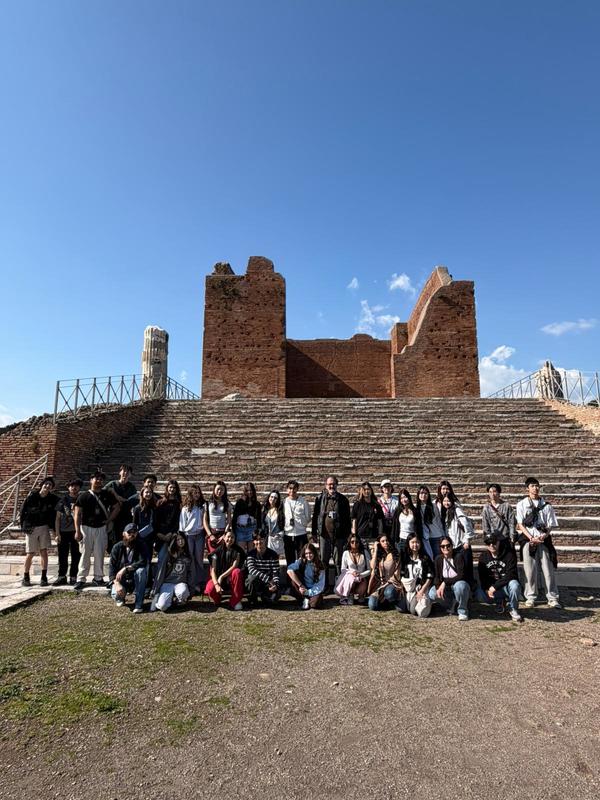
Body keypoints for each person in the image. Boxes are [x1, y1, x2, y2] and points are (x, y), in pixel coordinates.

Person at [516, 477, 561, 609]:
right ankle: (530, 596)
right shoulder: (522, 504)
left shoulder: (547, 506)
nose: (535, 488)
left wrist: (543, 536)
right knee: (529, 570)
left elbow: (550, 525)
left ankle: (552, 597)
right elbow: (520, 524)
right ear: (527, 488)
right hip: (528, 540)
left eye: (537, 486)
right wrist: (531, 537)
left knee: (548, 570)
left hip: (543, 540)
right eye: (532, 486)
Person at [73, 471, 120, 592]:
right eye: (96, 478)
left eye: (100, 479)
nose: (98, 481)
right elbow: (77, 514)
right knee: (85, 554)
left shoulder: (107, 494)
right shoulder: (83, 496)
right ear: (91, 480)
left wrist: (109, 519)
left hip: (101, 527)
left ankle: (98, 577)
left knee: (100, 553)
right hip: (86, 527)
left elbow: (117, 507)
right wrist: (77, 530)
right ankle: (81, 578)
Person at [20, 475, 59, 587]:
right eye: (46, 484)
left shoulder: (52, 498)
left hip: (44, 527)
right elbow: (23, 511)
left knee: (44, 551)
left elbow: (60, 504)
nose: (47, 486)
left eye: (50, 485)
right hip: (31, 527)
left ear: (52, 487)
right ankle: (26, 576)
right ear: (42, 485)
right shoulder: (32, 496)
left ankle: (44, 577)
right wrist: (23, 526)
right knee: (30, 553)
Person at [311, 475, 351, 579]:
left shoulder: (343, 499)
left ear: (337, 485)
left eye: (333, 484)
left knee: (339, 561)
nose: (331, 486)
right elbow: (315, 516)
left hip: (339, 536)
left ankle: (339, 584)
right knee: (324, 560)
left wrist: (347, 535)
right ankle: (324, 585)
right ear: (326, 485)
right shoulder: (319, 499)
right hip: (324, 535)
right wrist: (314, 533)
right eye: (329, 484)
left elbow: (347, 519)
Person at [477, 533, 523, 623]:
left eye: (493, 542)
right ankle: (500, 601)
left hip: (506, 586)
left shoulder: (509, 554)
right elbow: (482, 577)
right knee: (479, 594)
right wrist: (487, 588)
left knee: (514, 585)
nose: (491, 545)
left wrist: (495, 587)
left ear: (498, 542)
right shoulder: (483, 557)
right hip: (492, 588)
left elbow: (511, 574)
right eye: (488, 543)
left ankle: (513, 608)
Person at [108, 523, 148, 613]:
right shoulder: (117, 547)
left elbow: (143, 561)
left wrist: (126, 568)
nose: (132, 535)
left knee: (141, 571)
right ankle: (121, 598)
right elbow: (111, 569)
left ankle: (139, 604)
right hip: (121, 579)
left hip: (135, 578)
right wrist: (116, 583)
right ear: (123, 534)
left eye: (134, 532)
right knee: (115, 594)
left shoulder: (141, 545)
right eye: (129, 532)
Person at [429, 537, 471, 621]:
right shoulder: (438, 559)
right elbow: (437, 577)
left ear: (452, 546)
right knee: (432, 593)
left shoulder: (458, 557)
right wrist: (438, 587)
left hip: (457, 585)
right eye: (443, 546)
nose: (445, 548)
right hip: (447, 588)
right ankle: (451, 605)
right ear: (440, 548)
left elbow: (461, 576)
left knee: (460, 586)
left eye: (448, 545)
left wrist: (444, 582)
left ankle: (462, 611)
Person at [150, 533, 193, 612]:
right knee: (163, 607)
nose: (181, 541)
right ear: (174, 542)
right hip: (168, 583)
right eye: (178, 540)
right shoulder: (169, 554)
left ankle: (179, 599)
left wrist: (191, 588)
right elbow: (161, 572)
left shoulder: (187, 554)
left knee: (183, 593)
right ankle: (168, 599)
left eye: (182, 539)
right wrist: (155, 589)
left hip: (180, 583)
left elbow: (191, 573)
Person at [205, 530, 246, 610]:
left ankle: (235, 601)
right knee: (210, 587)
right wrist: (216, 584)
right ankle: (217, 599)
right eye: (228, 537)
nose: (230, 539)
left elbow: (234, 566)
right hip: (218, 579)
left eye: (232, 537)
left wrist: (221, 577)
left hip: (230, 579)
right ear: (224, 537)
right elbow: (212, 570)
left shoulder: (238, 551)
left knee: (237, 572)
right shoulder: (216, 551)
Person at [53, 478, 83, 586]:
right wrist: (57, 533)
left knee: (76, 555)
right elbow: (57, 518)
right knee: (62, 555)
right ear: (68, 487)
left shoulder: (82, 499)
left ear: (79, 488)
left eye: (76, 486)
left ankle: (73, 576)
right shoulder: (63, 500)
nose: (74, 488)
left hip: (77, 531)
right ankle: (61, 576)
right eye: (71, 486)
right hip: (63, 531)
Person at [398, 532, 434, 617]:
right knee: (400, 609)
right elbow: (402, 573)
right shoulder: (405, 557)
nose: (415, 545)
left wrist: (422, 590)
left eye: (417, 542)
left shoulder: (425, 558)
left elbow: (430, 575)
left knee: (413, 611)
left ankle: (429, 604)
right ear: (408, 543)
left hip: (420, 587)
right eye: (412, 542)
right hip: (408, 587)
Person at [104, 464, 138, 551]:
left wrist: (115, 495)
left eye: (128, 471)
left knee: (125, 539)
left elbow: (129, 501)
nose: (125, 473)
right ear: (120, 472)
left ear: (130, 474)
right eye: (123, 470)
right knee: (112, 540)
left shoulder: (132, 487)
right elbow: (102, 494)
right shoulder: (112, 484)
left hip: (125, 517)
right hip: (113, 517)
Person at [179, 485, 206, 593]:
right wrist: (183, 535)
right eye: (195, 493)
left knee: (199, 558)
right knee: (190, 559)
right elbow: (182, 523)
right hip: (189, 535)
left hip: (199, 535)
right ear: (190, 494)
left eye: (198, 493)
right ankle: (192, 583)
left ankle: (200, 582)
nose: (197, 495)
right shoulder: (185, 508)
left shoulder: (202, 507)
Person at [245, 530, 281, 606]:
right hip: (257, 581)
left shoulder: (273, 554)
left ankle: (265, 596)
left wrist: (275, 584)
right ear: (254, 542)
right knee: (251, 578)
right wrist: (268, 580)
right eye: (256, 540)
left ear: (265, 539)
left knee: (273, 601)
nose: (259, 542)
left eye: (261, 539)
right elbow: (252, 570)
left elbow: (276, 572)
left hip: (268, 584)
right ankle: (252, 599)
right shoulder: (251, 554)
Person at [367, 534, 402, 611]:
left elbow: (397, 572)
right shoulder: (379, 555)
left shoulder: (395, 554)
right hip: (380, 584)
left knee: (389, 593)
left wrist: (388, 583)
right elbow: (372, 566)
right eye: (383, 541)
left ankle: (392, 600)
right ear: (380, 543)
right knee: (372, 606)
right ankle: (384, 601)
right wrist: (375, 549)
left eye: (387, 540)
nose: (386, 542)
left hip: (392, 583)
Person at [287, 542, 326, 609]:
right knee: (293, 580)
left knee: (315, 604)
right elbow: (289, 570)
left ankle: (306, 600)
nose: (308, 555)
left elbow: (320, 585)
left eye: (310, 553)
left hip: (313, 589)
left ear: (314, 553)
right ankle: (304, 599)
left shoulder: (320, 565)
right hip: (303, 586)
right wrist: (301, 585)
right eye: (306, 553)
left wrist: (308, 592)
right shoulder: (301, 561)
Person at [334, 533, 371, 605]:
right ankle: (350, 594)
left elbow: (370, 569)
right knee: (352, 578)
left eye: (356, 542)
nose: (354, 543)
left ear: (359, 542)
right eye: (352, 542)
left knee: (362, 584)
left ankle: (361, 595)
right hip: (350, 578)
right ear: (349, 543)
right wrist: (352, 572)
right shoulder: (346, 553)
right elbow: (343, 569)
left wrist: (360, 574)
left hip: (361, 578)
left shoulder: (364, 552)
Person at [282, 480, 311, 565]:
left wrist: (302, 524)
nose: (292, 490)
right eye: (290, 488)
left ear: (297, 489)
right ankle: (290, 578)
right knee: (289, 560)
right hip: (288, 535)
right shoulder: (284, 502)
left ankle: (301, 578)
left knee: (302, 559)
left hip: (301, 534)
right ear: (287, 489)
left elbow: (308, 517)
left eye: (294, 488)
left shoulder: (303, 502)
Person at [416, 485, 445, 559]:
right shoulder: (416, 508)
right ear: (418, 494)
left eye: (425, 493)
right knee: (428, 559)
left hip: (436, 536)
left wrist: (443, 535)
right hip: (424, 537)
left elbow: (439, 521)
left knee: (437, 558)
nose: (423, 495)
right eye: (421, 493)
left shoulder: (433, 506)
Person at [155, 479, 182, 556]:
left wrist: (171, 533)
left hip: (172, 534)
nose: (172, 489)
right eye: (170, 487)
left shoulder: (178, 504)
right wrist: (160, 534)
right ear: (167, 488)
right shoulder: (160, 502)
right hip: (161, 534)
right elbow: (156, 519)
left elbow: (178, 520)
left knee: (172, 558)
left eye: (174, 488)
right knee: (161, 558)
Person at [204, 481, 232, 555]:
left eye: (222, 489)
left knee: (221, 557)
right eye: (218, 489)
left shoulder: (227, 503)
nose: (219, 491)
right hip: (212, 532)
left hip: (222, 533)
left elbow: (229, 520)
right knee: (213, 557)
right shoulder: (208, 503)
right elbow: (205, 521)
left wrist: (224, 534)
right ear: (214, 489)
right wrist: (210, 535)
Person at [232, 482, 261, 553]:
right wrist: (233, 529)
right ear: (245, 491)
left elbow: (259, 518)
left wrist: (258, 531)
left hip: (251, 529)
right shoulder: (240, 502)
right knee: (241, 552)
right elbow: (235, 517)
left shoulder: (256, 504)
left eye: (251, 490)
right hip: (240, 529)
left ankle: (249, 564)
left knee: (251, 552)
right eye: (248, 490)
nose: (250, 492)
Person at [132, 485, 157, 562]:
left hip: (150, 538)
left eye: (150, 492)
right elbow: (134, 523)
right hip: (140, 537)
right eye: (146, 492)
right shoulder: (137, 508)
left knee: (148, 559)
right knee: (139, 560)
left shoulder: (154, 508)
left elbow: (155, 523)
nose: (148, 494)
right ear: (142, 494)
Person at [393, 488, 421, 554]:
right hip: (401, 539)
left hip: (412, 539)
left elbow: (419, 526)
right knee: (402, 560)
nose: (404, 500)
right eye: (401, 498)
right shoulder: (398, 511)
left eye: (405, 497)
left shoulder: (415, 511)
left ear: (409, 497)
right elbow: (395, 526)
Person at [262, 489, 285, 558]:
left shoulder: (280, 510)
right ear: (269, 497)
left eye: (275, 498)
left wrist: (280, 534)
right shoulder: (264, 509)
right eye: (271, 497)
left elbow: (283, 524)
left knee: (275, 558)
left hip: (276, 538)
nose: (273, 499)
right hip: (266, 538)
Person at [378, 480, 398, 544]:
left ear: (391, 488)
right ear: (382, 488)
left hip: (393, 524)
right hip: (383, 525)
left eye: (389, 486)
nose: (387, 488)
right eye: (385, 487)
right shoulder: (378, 501)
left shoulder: (397, 500)